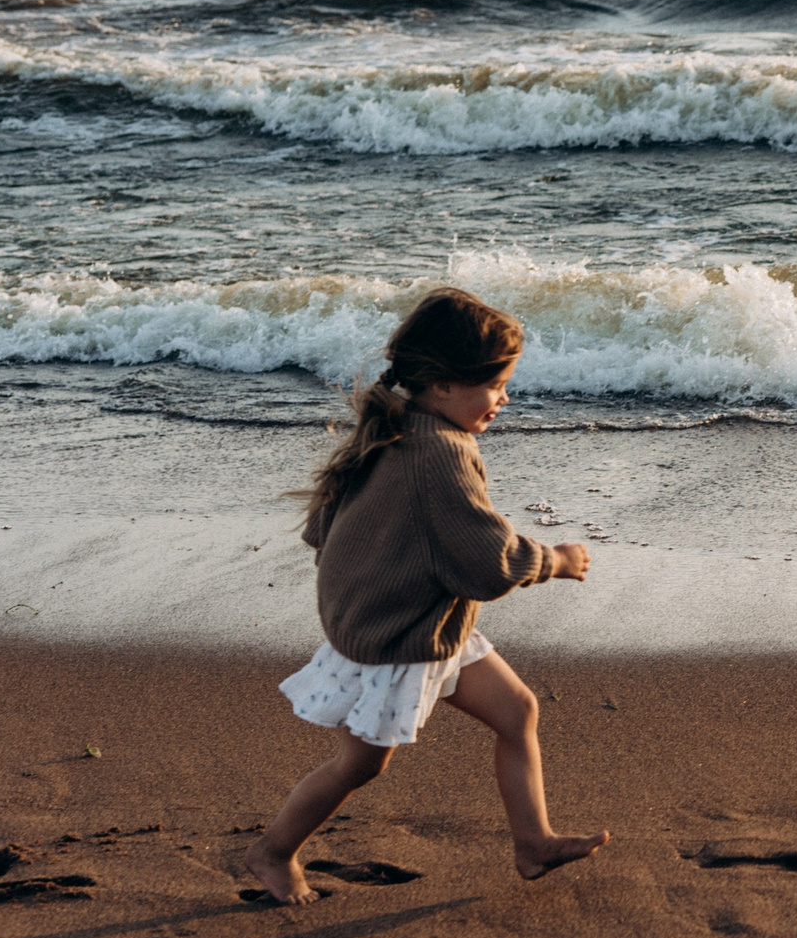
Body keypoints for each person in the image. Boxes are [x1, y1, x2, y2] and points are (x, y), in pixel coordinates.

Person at [246, 288, 608, 906]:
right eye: (495, 385)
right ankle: (272, 852)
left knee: (517, 711)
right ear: (442, 384)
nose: (504, 399)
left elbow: (324, 528)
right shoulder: (440, 452)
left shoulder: (397, 426)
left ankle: (533, 841)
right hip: (397, 639)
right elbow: (487, 560)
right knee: (359, 767)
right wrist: (556, 560)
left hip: (421, 620)